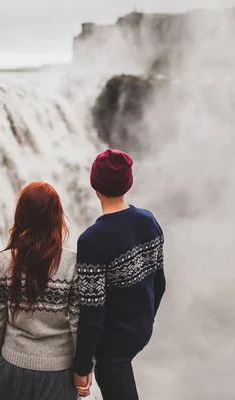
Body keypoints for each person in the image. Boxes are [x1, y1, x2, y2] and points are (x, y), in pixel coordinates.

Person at [73, 149, 166, 400]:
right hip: (140, 331)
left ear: (95, 185)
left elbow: (92, 312)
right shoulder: (148, 221)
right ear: (128, 183)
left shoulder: (92, 241)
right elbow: (160, 283)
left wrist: (82, 366)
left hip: (113, 349)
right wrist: (146, 322)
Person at [0, 182, 80, 400]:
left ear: (21, 215)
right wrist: (83, 368)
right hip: (58, 372)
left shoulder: (4, 262)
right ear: (57, 217)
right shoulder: (72, 264)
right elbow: (77, 323)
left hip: (13, 366)